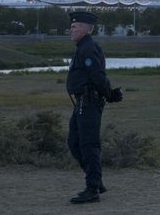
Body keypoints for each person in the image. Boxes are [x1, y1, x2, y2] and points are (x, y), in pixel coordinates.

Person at [66, 11, 123, 204]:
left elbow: (98, 76)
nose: (71, 30)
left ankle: (92, 190)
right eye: (71, 26)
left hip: (89, 103)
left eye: (75, 27)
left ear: (85, 29)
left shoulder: (88, 48)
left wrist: (110, 94)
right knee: (74, 142)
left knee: (88, 145)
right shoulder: (82, 47)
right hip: (82, 103)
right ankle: (96, 181)